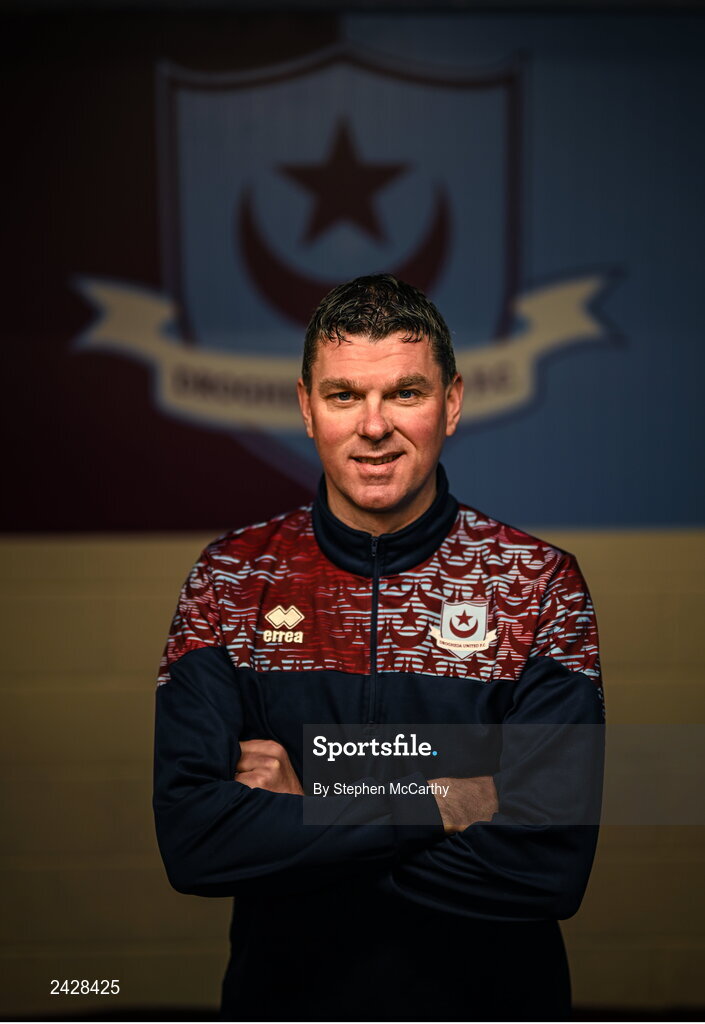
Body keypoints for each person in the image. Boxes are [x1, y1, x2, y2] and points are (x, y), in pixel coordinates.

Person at [153, 274, 604, 1021]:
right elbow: (197, 842)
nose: (372, 426)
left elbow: (549, 867)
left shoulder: (537, 584)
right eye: (342, 396)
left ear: (450, 403)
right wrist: (441, 800)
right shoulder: (231, 578)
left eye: (403, 393)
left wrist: (310, 805)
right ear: (305, 407)